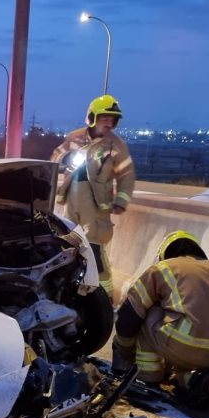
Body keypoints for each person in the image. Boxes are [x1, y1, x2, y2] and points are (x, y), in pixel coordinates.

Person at [113, 231, 209, 408]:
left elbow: (129, 314)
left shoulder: (162, 268)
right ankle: (192, 381)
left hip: (183, 345)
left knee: (147, 311)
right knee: (184, 318)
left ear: (164, 253)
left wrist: (123, 348)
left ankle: (146, 380)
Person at [51, 95, 136, 295]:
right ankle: (74, 288)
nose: (108, 123)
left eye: (112, 119)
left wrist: (121, 200)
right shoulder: (75, 137)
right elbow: (55, 156)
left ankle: (103, 295)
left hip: (97, 206)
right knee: (68, 244)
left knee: (95, 249)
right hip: (71, 201)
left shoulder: (116, 145)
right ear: (92, 117)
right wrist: (66, 156)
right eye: (104, 118)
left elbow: (127, 175)